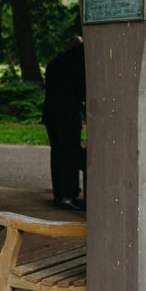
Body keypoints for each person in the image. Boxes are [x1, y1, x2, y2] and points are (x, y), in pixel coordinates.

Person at [41, 35, 86, 211]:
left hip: (52, 114)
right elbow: (81, 89)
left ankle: (59, 193)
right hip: (68, 114)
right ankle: (68, 195)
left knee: (58, 154)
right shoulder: (77, 63)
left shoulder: (54, 63)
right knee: (70, 154)